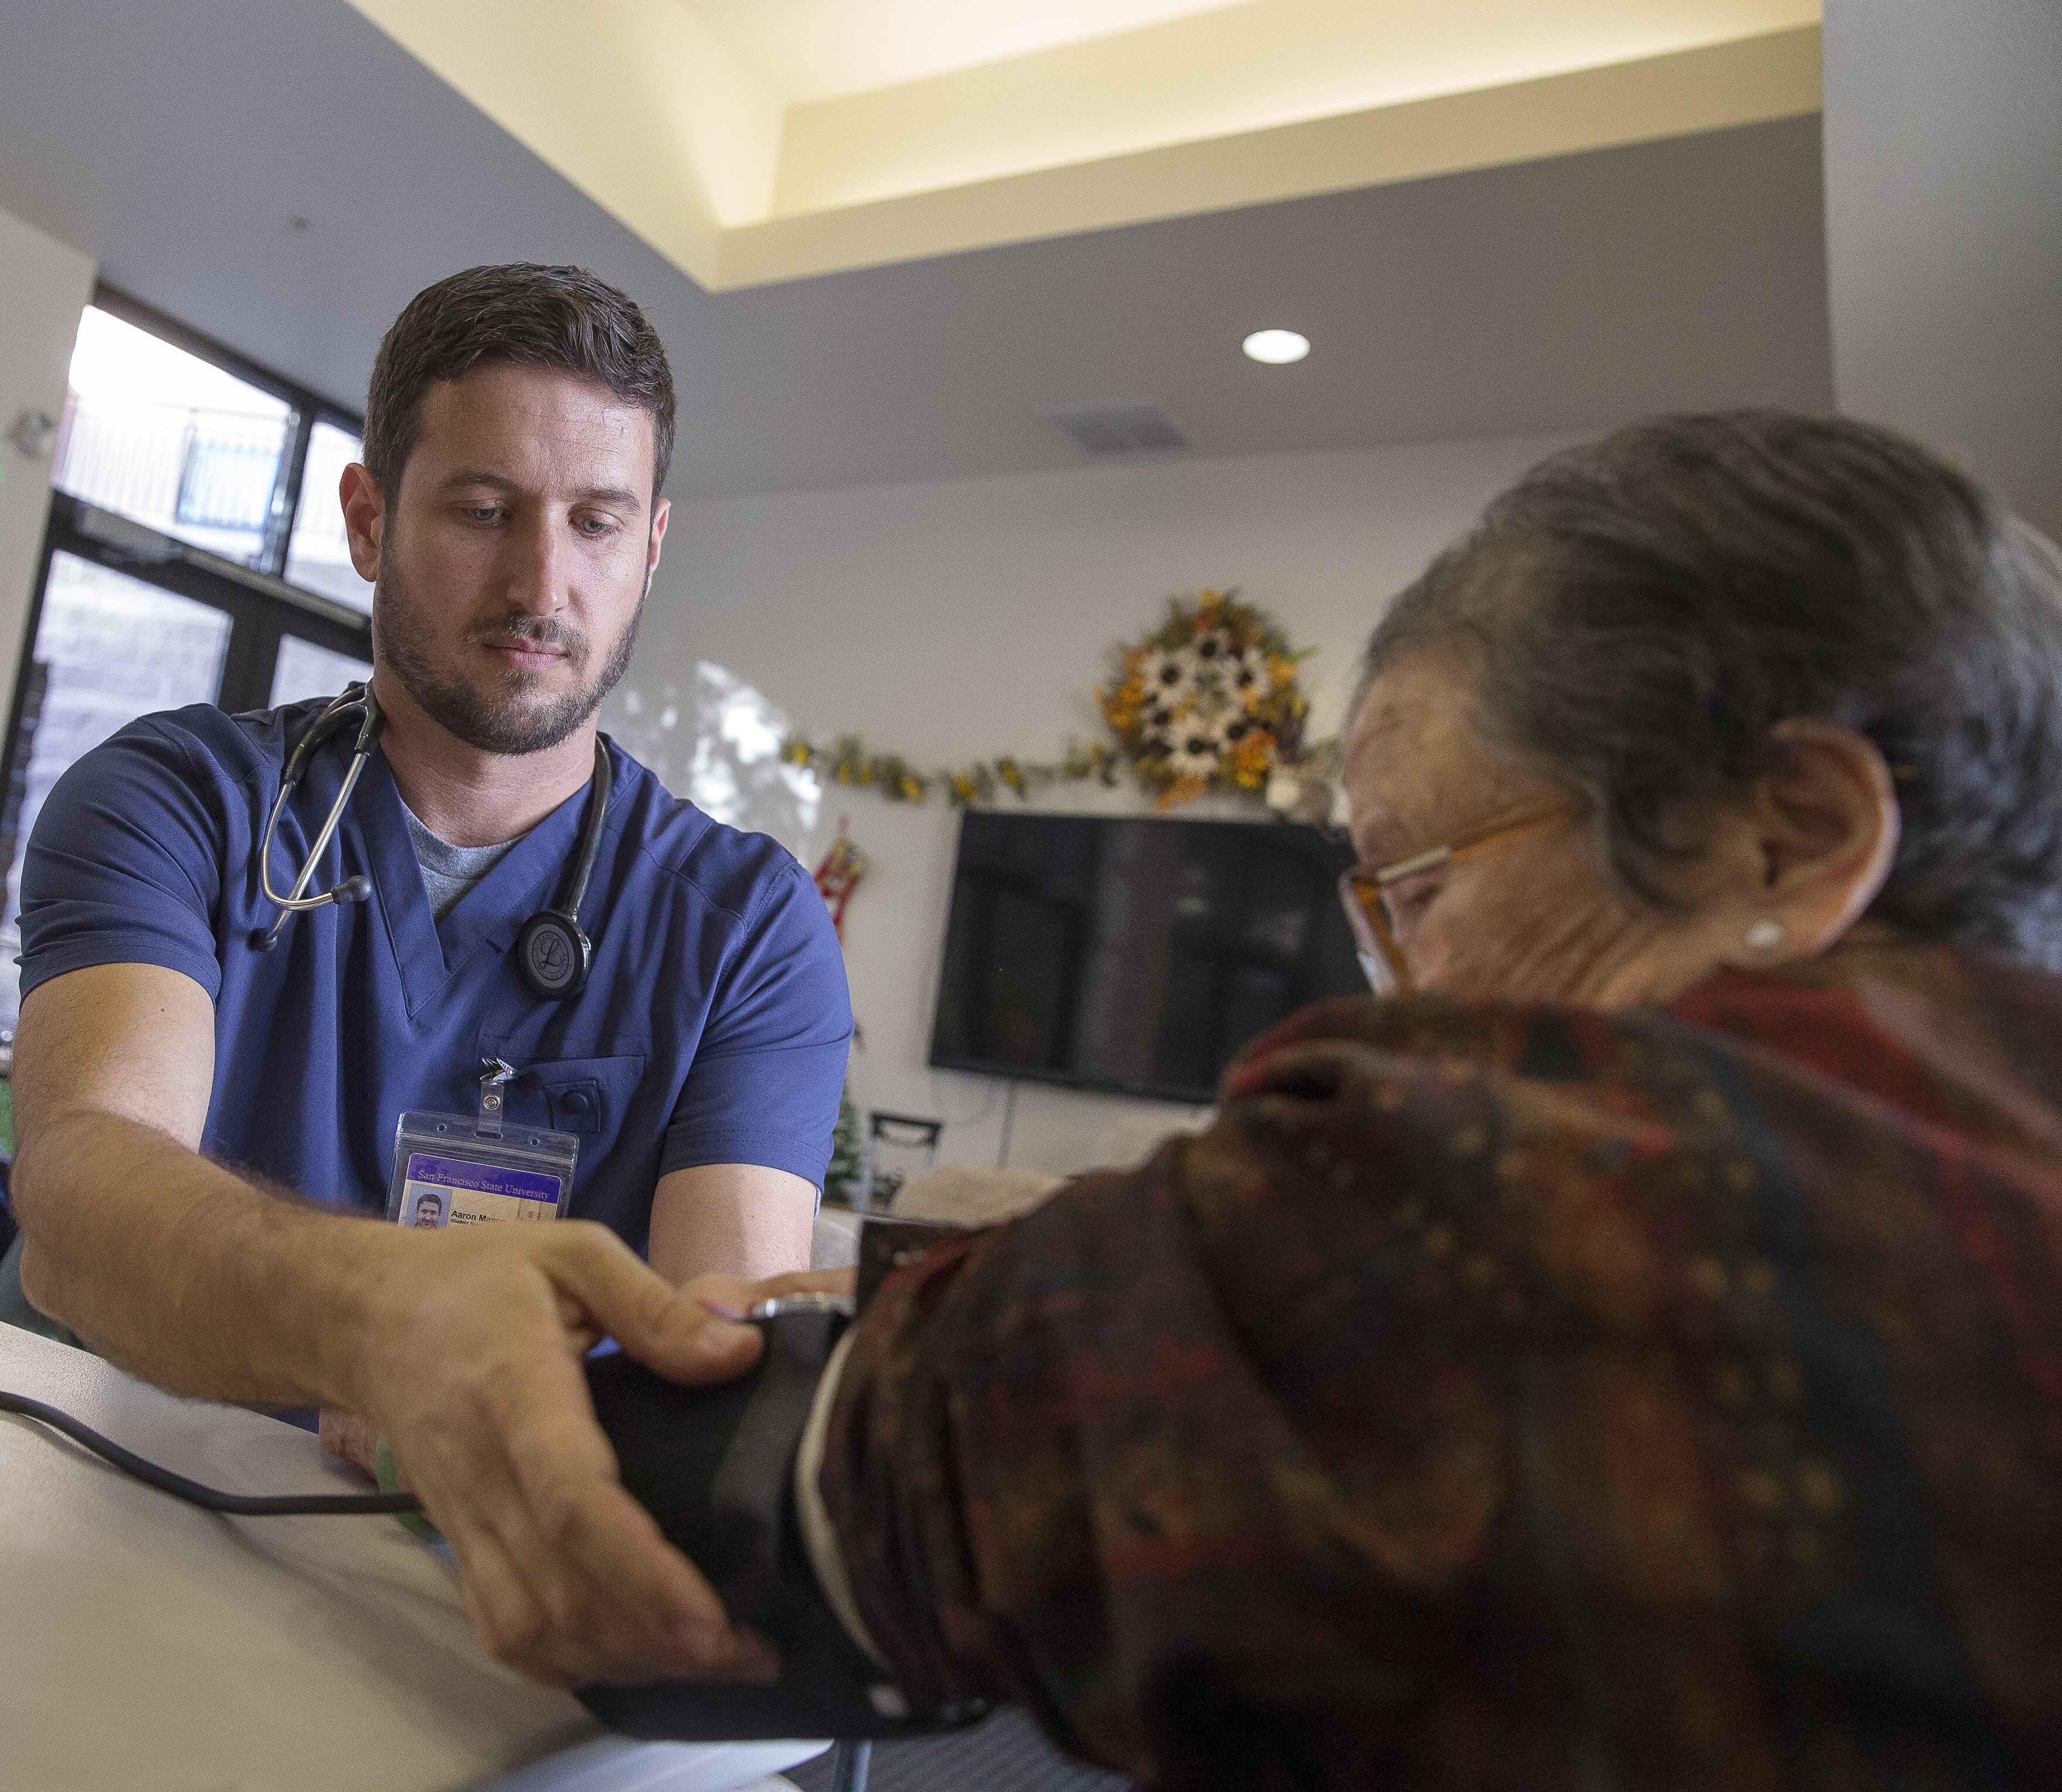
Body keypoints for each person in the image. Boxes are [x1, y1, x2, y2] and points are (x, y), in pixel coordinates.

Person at [758, 411, 2062, 1785]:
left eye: (1420, 888)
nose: (1396, 992)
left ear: (1789, 836)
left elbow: (785, 1509)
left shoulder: (1477, 1199)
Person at [2, 266, 851, 1462]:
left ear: (651, 547)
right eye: (484, 510)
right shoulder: (176, 802)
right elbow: (79, 1198)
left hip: (471, 1565)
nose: (541, 586)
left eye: (596, 523)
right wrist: (377, 1324)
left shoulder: (745, 927)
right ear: (366, 519)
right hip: (118, 1485)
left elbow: (722, 1357)